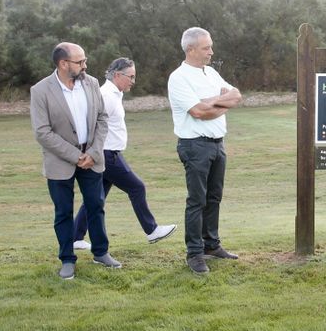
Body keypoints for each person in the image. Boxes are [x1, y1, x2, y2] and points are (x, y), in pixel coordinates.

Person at [30, 42, 122, 280]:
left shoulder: (91, 83)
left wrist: (93, 152)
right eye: (80, 62)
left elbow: (103, 118)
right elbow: (42, 132)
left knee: (96, 206)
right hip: (60, 162)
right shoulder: (40, 91)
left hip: (92, 157)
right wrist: (75, 156)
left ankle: (101, 252)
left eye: (85, 60)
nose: (85, 65)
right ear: (63, 64)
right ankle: (67, 259)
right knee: (63, 212)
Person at [72, 58, 176, 251]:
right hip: (107, 155)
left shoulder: (114, 94)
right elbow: (92, 125)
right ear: (118, 75)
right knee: (137, 188)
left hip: (108, 153)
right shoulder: (107, 96)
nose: (133, 81)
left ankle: (75, 237)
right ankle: (151, 230)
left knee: (96, 198)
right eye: (131, 76)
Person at [168, 27, 243, 274]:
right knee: (197, 200)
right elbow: (198, 113)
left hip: (217, 144)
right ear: (191, 49)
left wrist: (212, 103)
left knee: (214, 198)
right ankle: (195, 253)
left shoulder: (211, 73)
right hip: (194, 145)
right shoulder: (179, 77)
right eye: (206, 47)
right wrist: (218, 104)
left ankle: (211, 245)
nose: (211, 52)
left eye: (210, 46)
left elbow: (236, 96)